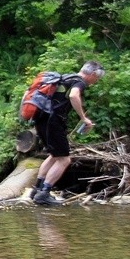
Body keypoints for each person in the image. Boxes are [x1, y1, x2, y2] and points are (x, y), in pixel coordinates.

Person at [31, 60, 105, 206]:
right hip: (54, 122)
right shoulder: (79, 82)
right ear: (92, 74)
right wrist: (83, 118)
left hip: (41, 120)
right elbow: (73, 96)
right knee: (64, 160)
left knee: (54, 156)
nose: (96, 82)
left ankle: (36, 190)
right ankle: (44, 193)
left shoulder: (65, 78)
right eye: (97, 78)